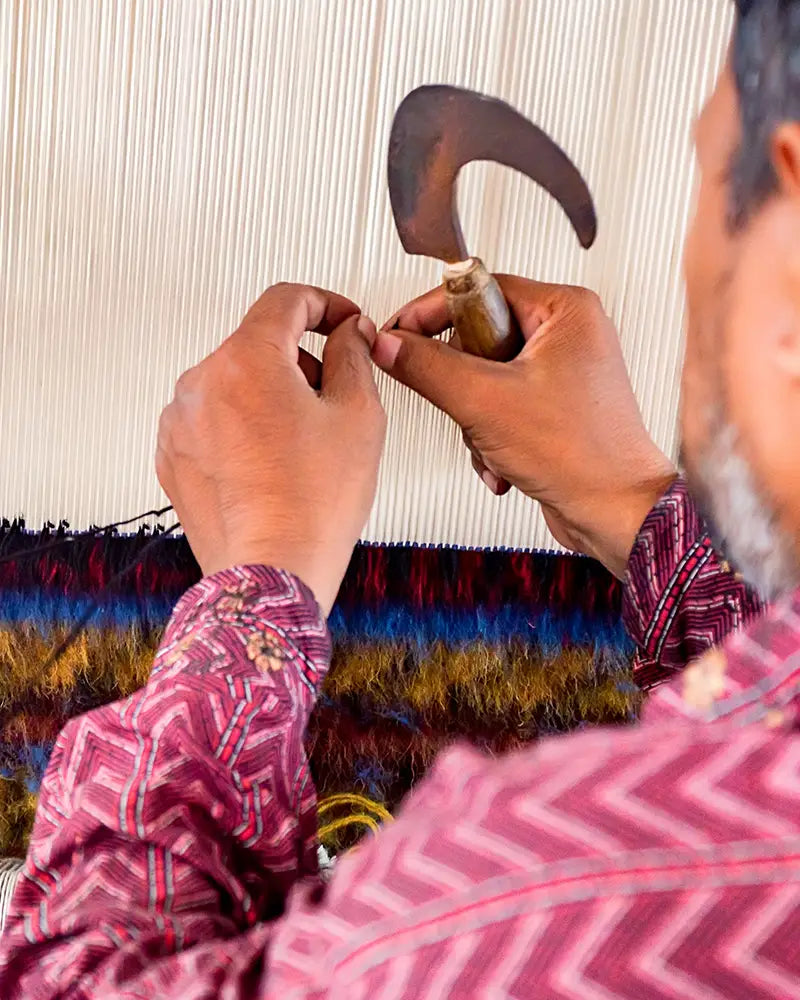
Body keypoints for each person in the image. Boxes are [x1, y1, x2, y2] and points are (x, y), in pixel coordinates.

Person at [1, 0, 798, 995]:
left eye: (706, 165)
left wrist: (261, 580)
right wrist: (641, 511)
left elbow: (70, 979)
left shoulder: (547, 893)